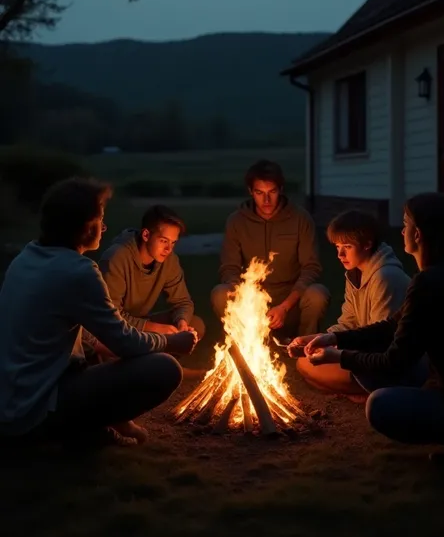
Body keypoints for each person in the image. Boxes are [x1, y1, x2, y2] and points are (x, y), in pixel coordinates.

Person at [0, 178, 197, 447]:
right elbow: (124, 341)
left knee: (94, 348)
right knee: (164, 368)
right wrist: (171, 341)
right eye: (100, 219)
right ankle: (80, 429)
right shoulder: (79, 271)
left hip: (13, 399)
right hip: (39, 406)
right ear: (83, 226)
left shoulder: (25, 258)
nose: (104, 228)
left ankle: (98, 422)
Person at [289, 192, 444, 463]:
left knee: (381, 405)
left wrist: (337, 356)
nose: (401, 231)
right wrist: (332, 337)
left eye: (405, 223)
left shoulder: (427, 283)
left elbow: (394, 361)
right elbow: (389, 325)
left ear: (419, 234)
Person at [296, 209, 413, 401]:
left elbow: (381, 340)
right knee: (305, 360)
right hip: (365, 354)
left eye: (347, 247)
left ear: (367, 244)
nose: (340, 254)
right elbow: (348, 323)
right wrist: (317, 338)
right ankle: (358, 393)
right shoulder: (354, 274)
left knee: (308, 365)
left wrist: (336, 354)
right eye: (337, 247)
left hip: (389, 367)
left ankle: (372, 392)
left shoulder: (386, 278)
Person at [211, 159, 329, 339]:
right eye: (259, 193)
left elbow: (310, 268)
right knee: (220, 293)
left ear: (281, 190)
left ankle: (304, 347)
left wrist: (284, 306)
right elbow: (229, 268)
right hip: (251, 297)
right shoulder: (236, 221)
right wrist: (246, 300)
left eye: (271, 192)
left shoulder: (300, 219)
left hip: (290, 299)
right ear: (251, 192)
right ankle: (242, 343)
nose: (266, 199)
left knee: (317, 294)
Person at [98, 204, 205, 341]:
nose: (168, 249)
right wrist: (156, 328)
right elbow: (111, 315)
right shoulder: (117, 257)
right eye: (163, 241)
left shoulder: (169, 260)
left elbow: (183, 302)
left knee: (195, 324)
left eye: (173, 243)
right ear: (146, 235)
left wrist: (181, 322)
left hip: (140, 324)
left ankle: (161, 359)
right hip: (113, 328)